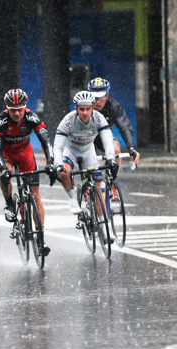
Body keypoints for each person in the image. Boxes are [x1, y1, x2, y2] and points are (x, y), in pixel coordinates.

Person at [0, 88, 53, 255]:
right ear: (7, 109)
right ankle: (9, 203)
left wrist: (51, 163)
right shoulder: (0, 121)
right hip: (6, 154)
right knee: (6, 174)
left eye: (20, 109)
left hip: (25, 153)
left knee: (35, 195)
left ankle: (41, 239)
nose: (17, 113)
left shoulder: (32, 117)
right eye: (13, 110)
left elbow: (46, 142)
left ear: (25, 107)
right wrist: (3, 169)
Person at [51, 91, 117, 240]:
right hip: (71, 150)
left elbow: (107, 140)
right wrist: (59, 164)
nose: (85, 112)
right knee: (63, 173)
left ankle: (103, 228)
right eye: (81, 109)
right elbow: (58, 147)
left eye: (88, 109)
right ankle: (73, 199)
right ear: (76, 108)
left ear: (93, 107)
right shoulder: (68, 121)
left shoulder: (99, 119)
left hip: (88, 150)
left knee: (98, 188)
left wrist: (111, 159)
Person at [88, 77, 140, 167]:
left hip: (104, 135)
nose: (97, 102)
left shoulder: (114, 107)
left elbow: (125, 127)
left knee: (116, 150)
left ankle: (112, 178)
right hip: (85, 135)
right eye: (94, 98)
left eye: (101, 97)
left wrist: (131, 148)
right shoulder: (84, 106)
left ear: (107, 95)